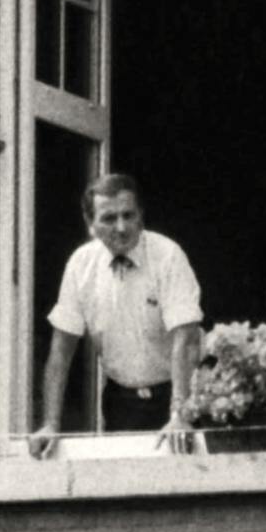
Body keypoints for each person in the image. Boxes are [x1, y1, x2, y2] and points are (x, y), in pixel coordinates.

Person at [30, 174, 204, 455]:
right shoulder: (81, 265)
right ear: (91, 225)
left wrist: (179, 414)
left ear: (141, 217)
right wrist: (51, 423)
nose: (121, 227)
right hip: (122, 401)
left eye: (128, 215)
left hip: (180, 394)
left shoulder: (168, 256)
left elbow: (185, 341)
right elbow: (61, 352)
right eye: (109, 218)